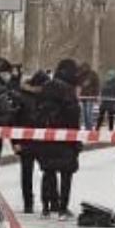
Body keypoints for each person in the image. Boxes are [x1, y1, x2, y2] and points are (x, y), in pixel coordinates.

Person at [31, 58, 84, 219]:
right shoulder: (69, 91)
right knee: (66, 174)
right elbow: (74, 116)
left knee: (48, 172)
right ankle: (62, 208)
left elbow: (36, 113)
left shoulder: (45, 88)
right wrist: (76, 141)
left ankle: (46, 207)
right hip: (65, 139)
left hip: (46, 138)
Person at [13, 70, 49, 213]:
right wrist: (15, 142)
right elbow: (14, 120)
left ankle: (47, 202)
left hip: (41, 140)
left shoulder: (45, 97)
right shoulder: (22, 98)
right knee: (27, 173)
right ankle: (28, 203)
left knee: (47, 171)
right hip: (26, 141)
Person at [77, 62, 101, 129]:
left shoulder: (92, 74)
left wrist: (96, 94)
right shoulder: (81, 75)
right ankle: (86, 126)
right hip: (84, 96)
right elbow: (79, 85)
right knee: (84, 113)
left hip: (90, 96)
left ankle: (89, 126)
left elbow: (97, 85)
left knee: (88, 112)